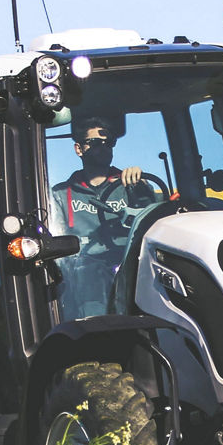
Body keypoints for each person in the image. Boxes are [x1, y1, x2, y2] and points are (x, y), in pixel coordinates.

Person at [51, 119, 165, 317]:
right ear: (79, 149)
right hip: (84, 275)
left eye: (109, 142)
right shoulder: (60, 194)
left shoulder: (130, 185)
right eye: (95, 142)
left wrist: (141, 188)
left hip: (129, 265)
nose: (103, 147)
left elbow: (153, 222)